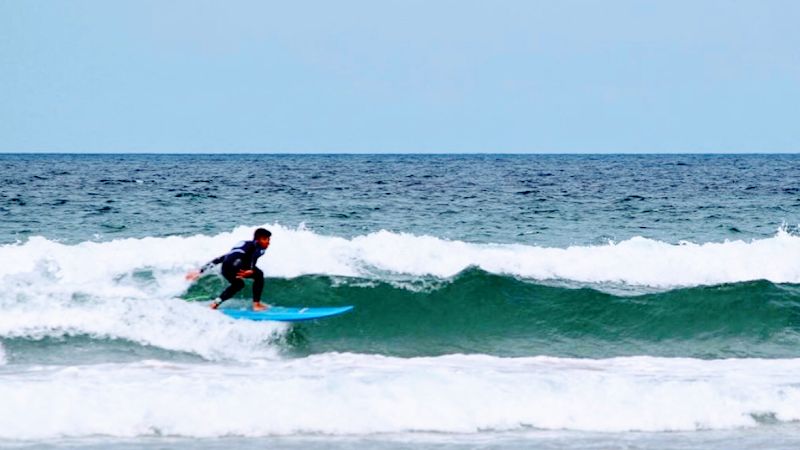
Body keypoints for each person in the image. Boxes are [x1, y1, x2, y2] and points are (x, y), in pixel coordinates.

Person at [186, 228, 271, 311]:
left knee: (238, 285)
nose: (268, 242)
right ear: (257, 240)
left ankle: (215, 303)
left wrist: (201, 270)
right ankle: (256, 305)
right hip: (237, 264)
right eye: (265, 239)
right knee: (259, 275)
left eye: (268, 239)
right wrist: (250, 269)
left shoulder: (244, 244)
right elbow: (251, 256)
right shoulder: (255, 246)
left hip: (226, 267)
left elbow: (224, 257)